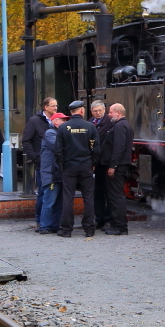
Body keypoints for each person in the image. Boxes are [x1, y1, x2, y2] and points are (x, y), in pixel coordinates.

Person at [54, 100, 99, 239]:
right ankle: (89, 229)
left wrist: (62, 164)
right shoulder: (90, 127)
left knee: (68, 198)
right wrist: (93, 163)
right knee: (89, 198)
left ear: (71, 112)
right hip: (86, 166)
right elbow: (96, 148)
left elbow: (58, 150)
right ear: (81, 111)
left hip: (69, 167)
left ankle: (66, 229)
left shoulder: (63, 127)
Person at [22, 97, 58, 227]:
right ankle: (40, 220)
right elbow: (26, 141)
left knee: (52, 192)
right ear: (45, 107)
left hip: (56, 164)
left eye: (56, 106)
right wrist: (36, 158)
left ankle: (52, 220)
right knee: (43, 191)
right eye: (53, 106)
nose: (55, 108)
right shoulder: (34, 121)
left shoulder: (57, 121)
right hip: (42, 163)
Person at [102, 103, 134, 235]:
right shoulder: (124, 125)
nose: (108, 115)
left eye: (110, 112)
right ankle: (117, 224)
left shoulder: (120, 126)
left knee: (116, 196)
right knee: (116, 195)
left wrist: (112, 166)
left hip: (118, 166)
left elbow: (118, 148)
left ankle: (120, 226)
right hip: (121, 164)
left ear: (118, 113)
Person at [37, 111, 68, 233]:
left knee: (58, 202)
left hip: (56, 173)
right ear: (55, 122)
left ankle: (54, 225)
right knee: (49, 201)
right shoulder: (50, 134)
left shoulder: (56, 133)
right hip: (51, 174)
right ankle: (45, 226)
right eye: (63, 120)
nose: (66, 123)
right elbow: (59, 147)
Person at [93, 105, 118, 225]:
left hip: (105, 162)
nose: (98, 113)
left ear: (104, 110)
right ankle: (99, 217)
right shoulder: (90, 122)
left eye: (100, 110)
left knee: (108, 191)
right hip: (96, 162)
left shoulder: (110, 123)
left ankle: (108, 218)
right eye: (95, 111)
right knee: (98, 191)